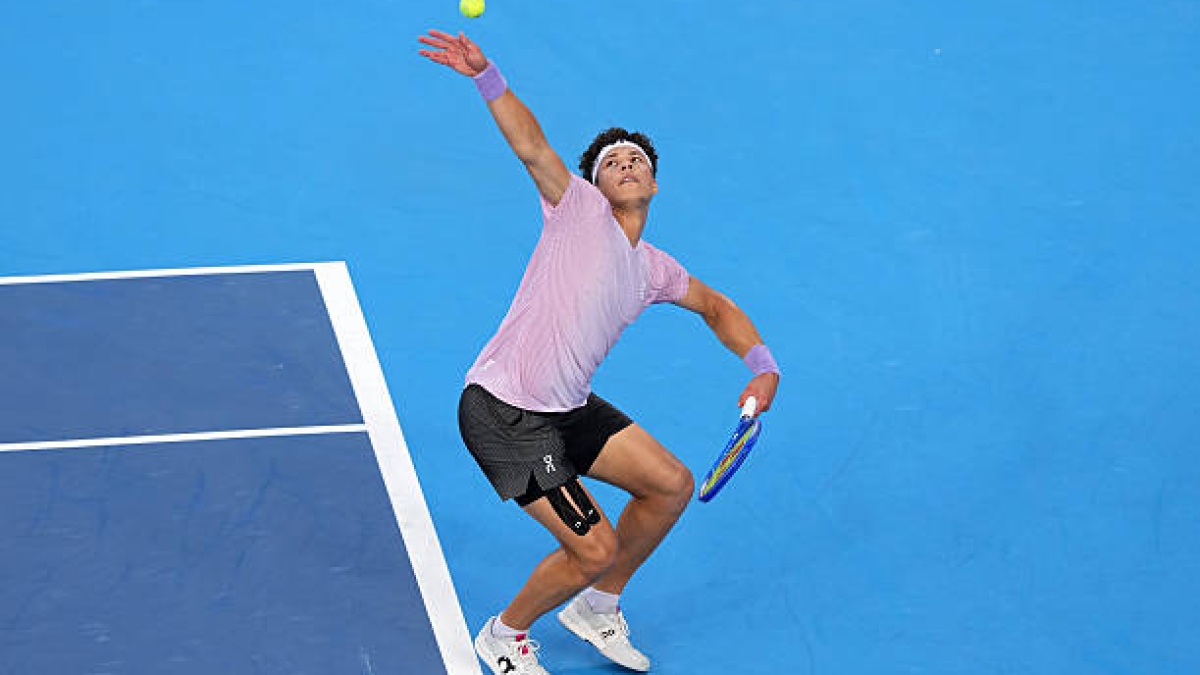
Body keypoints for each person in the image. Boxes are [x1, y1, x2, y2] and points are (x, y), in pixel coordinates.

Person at [418, 29, 781, 675]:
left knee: (669, 486)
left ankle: (596, 605)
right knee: (593, 547)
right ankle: (503, 634)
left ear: (655, 186)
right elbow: (531, 146)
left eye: (637, 159)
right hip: (505, 411)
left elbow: (717, 308)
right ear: (592, 183)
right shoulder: (578, 210)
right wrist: (486, 75)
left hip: (565, 406)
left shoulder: (654, 268)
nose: (627, 163)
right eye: (612, 161)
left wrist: (763, 367)